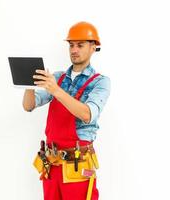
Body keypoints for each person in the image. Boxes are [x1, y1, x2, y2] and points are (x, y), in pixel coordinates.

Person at [22, 21, 111, 200]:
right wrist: (28, 84)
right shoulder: (57, 78)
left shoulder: (100, 82)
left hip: (77, 166)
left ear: (93, 47)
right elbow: (29, 105)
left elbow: (87, 114)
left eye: (80, 45)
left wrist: (55, 90)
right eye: (71, 45)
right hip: (51, 165)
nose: (74, 50)